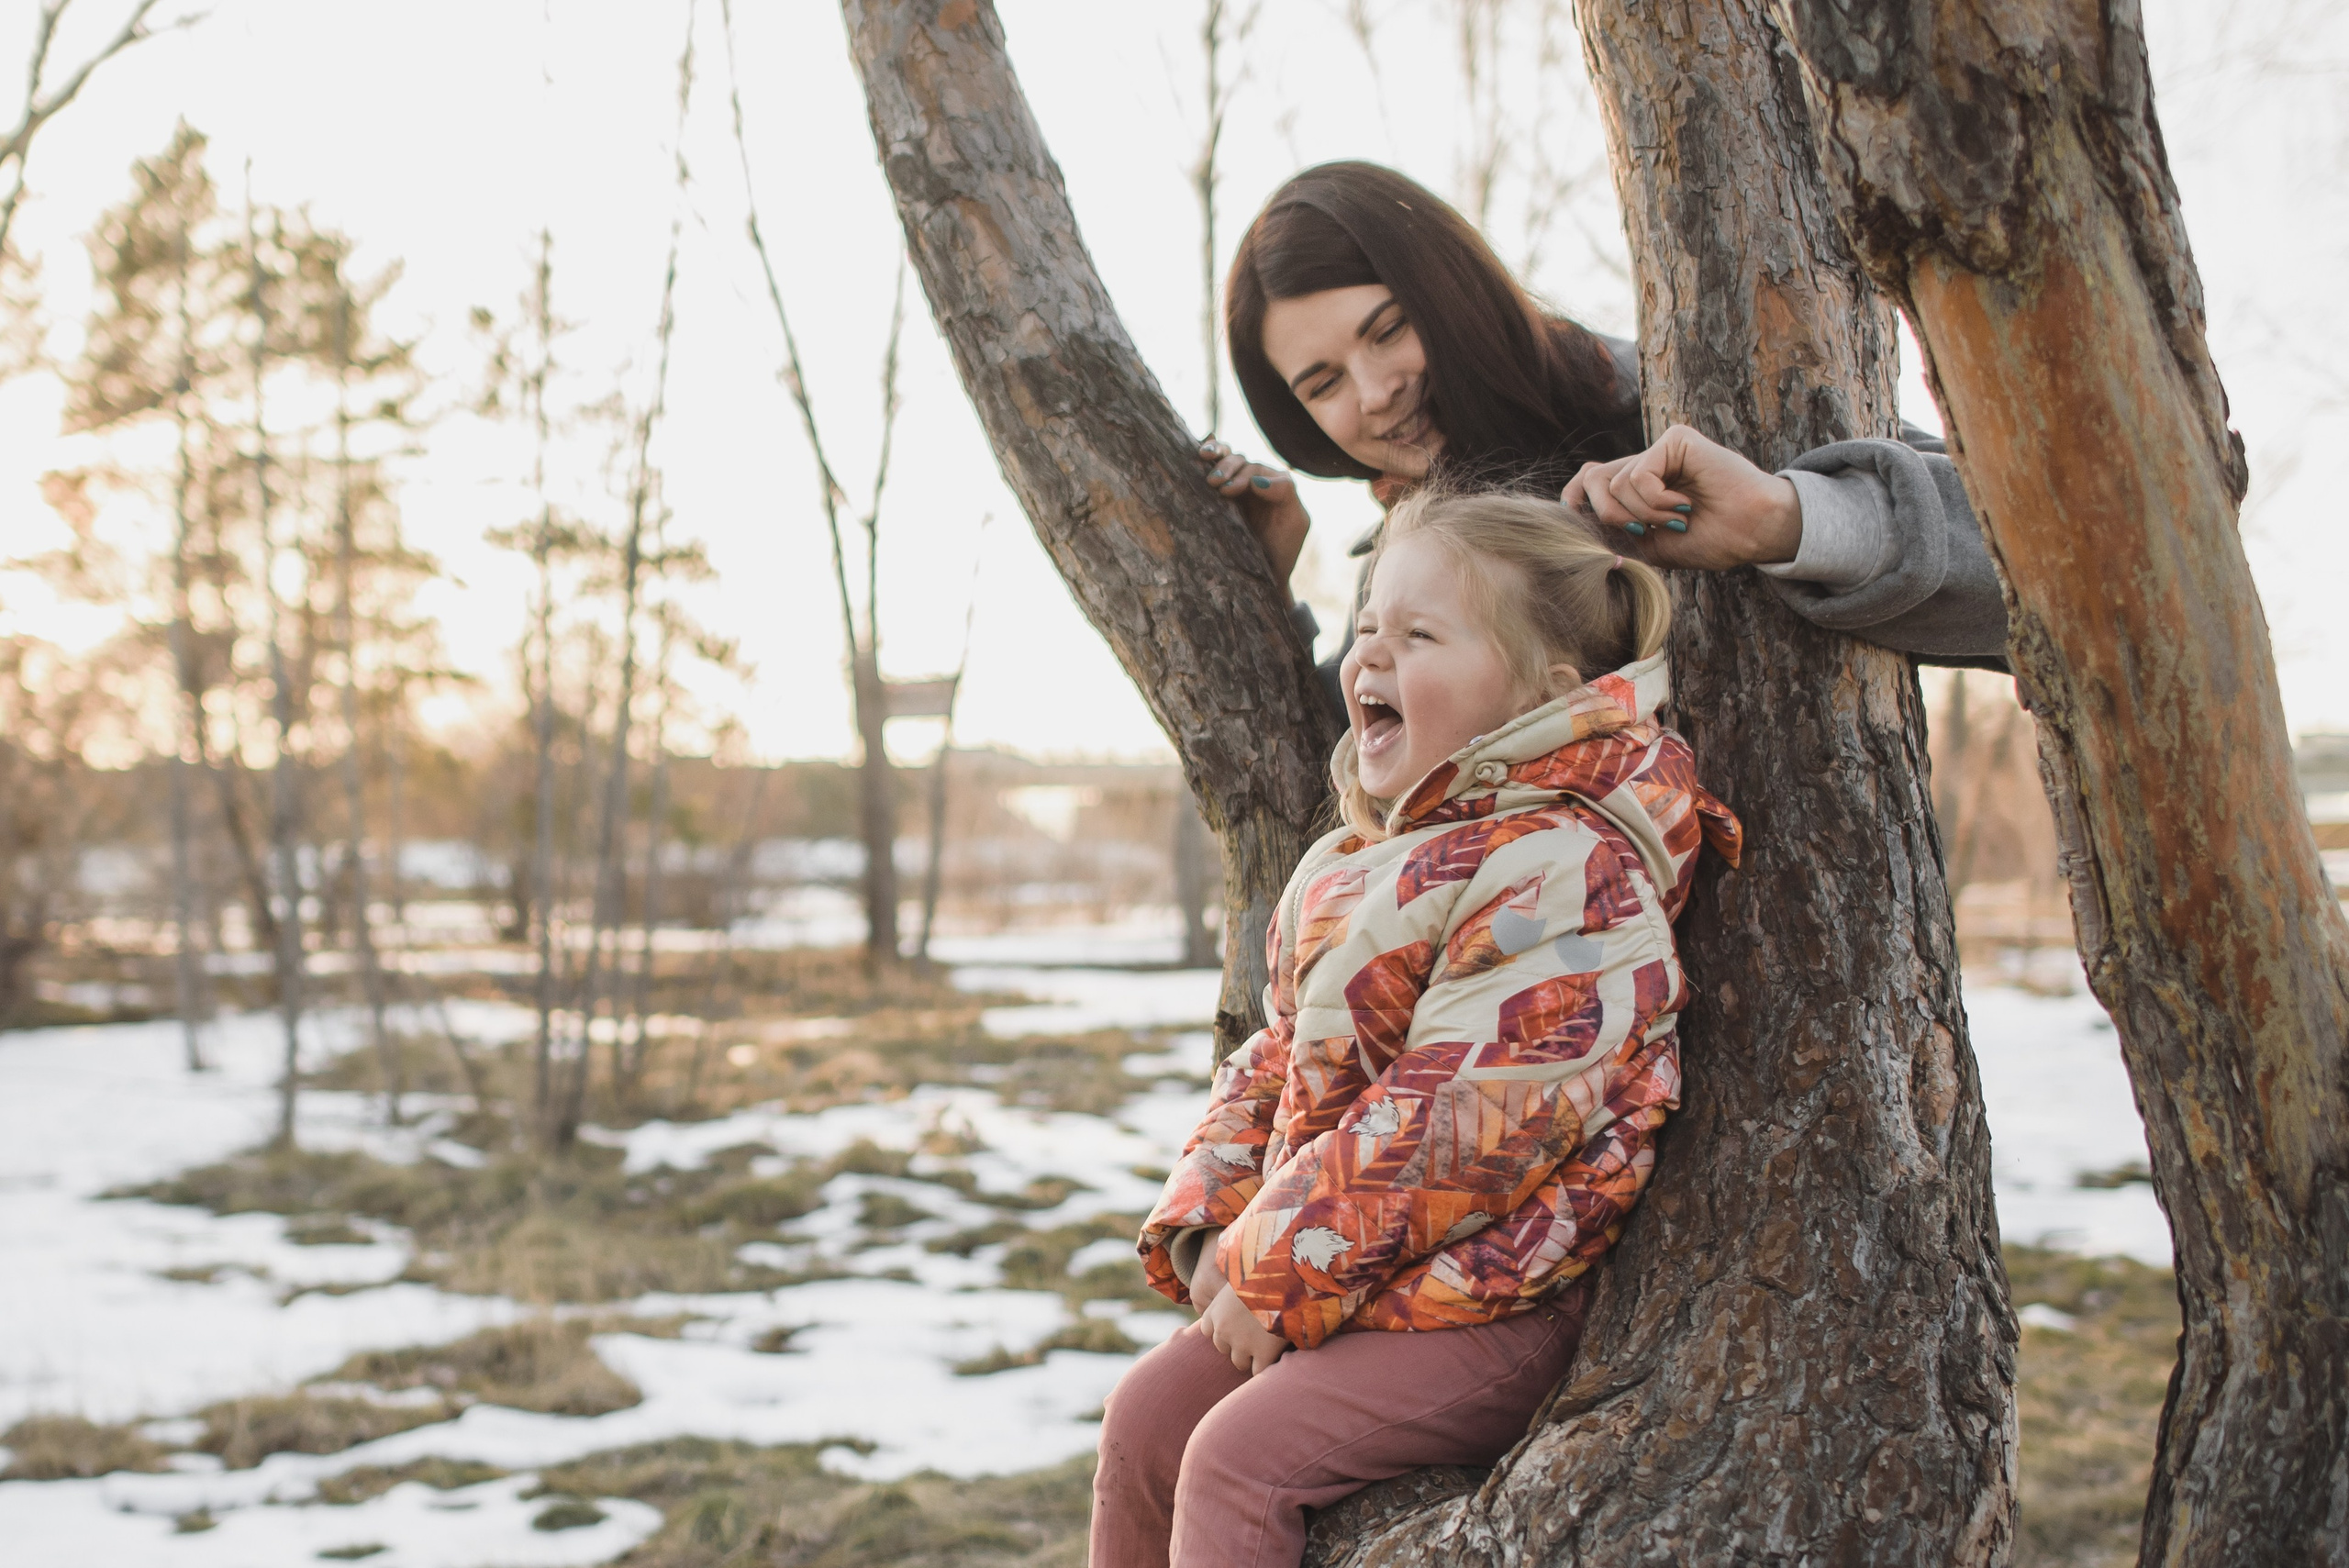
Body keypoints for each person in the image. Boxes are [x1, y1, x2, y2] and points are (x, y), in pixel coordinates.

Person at [1091, 488, 1742, 1568]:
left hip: (1494, 1296)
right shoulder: (1362, 861)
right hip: (1351, 1266)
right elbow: (1277, 1055)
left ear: (1546, 692)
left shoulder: (1569, 869)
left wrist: (1278, 1270)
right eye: (1367, 628)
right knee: (1147, 1420)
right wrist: (1217, 1214)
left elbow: (1461, 1119)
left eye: (1420, 633)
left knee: (1236, 1458)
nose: (1371, 655)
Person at [1195, 161, 2008, 681]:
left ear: (1449, 290)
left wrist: (1779, 520)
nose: (1374, 393)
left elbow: (2034, 567)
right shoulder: (1405, 543)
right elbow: (1345, 790)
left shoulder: (1659, 405)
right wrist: (1271, 586)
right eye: (1322, 382)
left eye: (1388, 329)